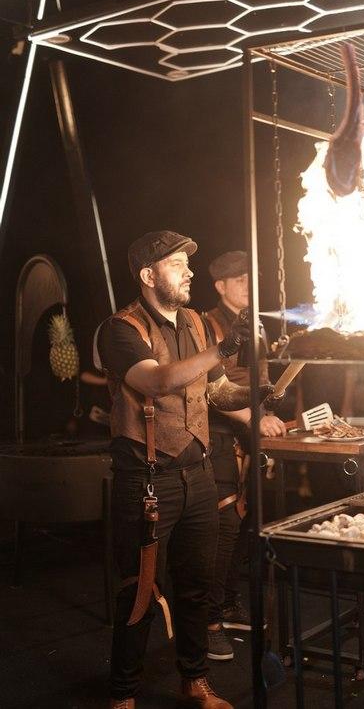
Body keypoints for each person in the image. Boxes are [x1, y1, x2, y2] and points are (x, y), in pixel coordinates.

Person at [97, 231, 273, 709]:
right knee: (141, 590)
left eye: (187, 264)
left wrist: (255, 392)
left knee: (197, 584)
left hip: (196, 472)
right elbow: (155, 381)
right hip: (147, 478)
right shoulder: (120, 329)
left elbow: (215, 391)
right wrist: (223, 348)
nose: (190, 271)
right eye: (177, 264)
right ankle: (123, 694)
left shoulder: (193, 322)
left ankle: (194, 680)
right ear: (149, 276)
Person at [203, 251, 286, 661]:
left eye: (249, 279)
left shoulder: (255, 323)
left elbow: (261, 378)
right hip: (218, 434)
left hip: (250, 432)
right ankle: (209, 623)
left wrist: (267, 412)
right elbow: (211, 387)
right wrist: (255, 417)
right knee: (223, 529)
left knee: (242, 524)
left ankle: (229, 603)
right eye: (238, 280)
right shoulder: (207, 323)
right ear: (220, 285)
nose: (246, 286)